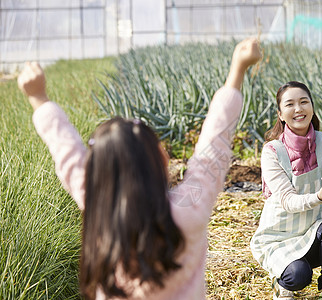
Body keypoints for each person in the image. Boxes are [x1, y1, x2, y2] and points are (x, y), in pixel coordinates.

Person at [17, 38, 262, 300]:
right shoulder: (187, 211)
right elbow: (213, 150)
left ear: (97, 172)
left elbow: (66, 152)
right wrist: (237, 71)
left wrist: (39, 98)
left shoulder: (99, 206)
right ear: (161, 158)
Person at [249, 81, 322, 299]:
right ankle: (281, 283)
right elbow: (288, 201)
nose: (298, 109)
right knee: (299, 277)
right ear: (280, 114)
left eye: (304, 102)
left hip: (313, 231)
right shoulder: (273, 151)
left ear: (312, 107)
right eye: (290, 104)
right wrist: (320, 197)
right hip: (279, 238)